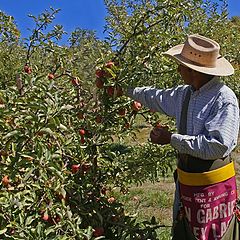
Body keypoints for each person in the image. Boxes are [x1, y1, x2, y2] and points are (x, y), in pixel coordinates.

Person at [126, 34, 239, 239]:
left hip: (213, 186)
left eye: (182, 66)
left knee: (215, 233)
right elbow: (156, 96)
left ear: (195, 71)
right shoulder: (184, 94)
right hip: (188, 181)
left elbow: (217, 146)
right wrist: (125, 90)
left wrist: (172, 139)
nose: (178, 70)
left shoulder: (224, 99)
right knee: (185, 229)